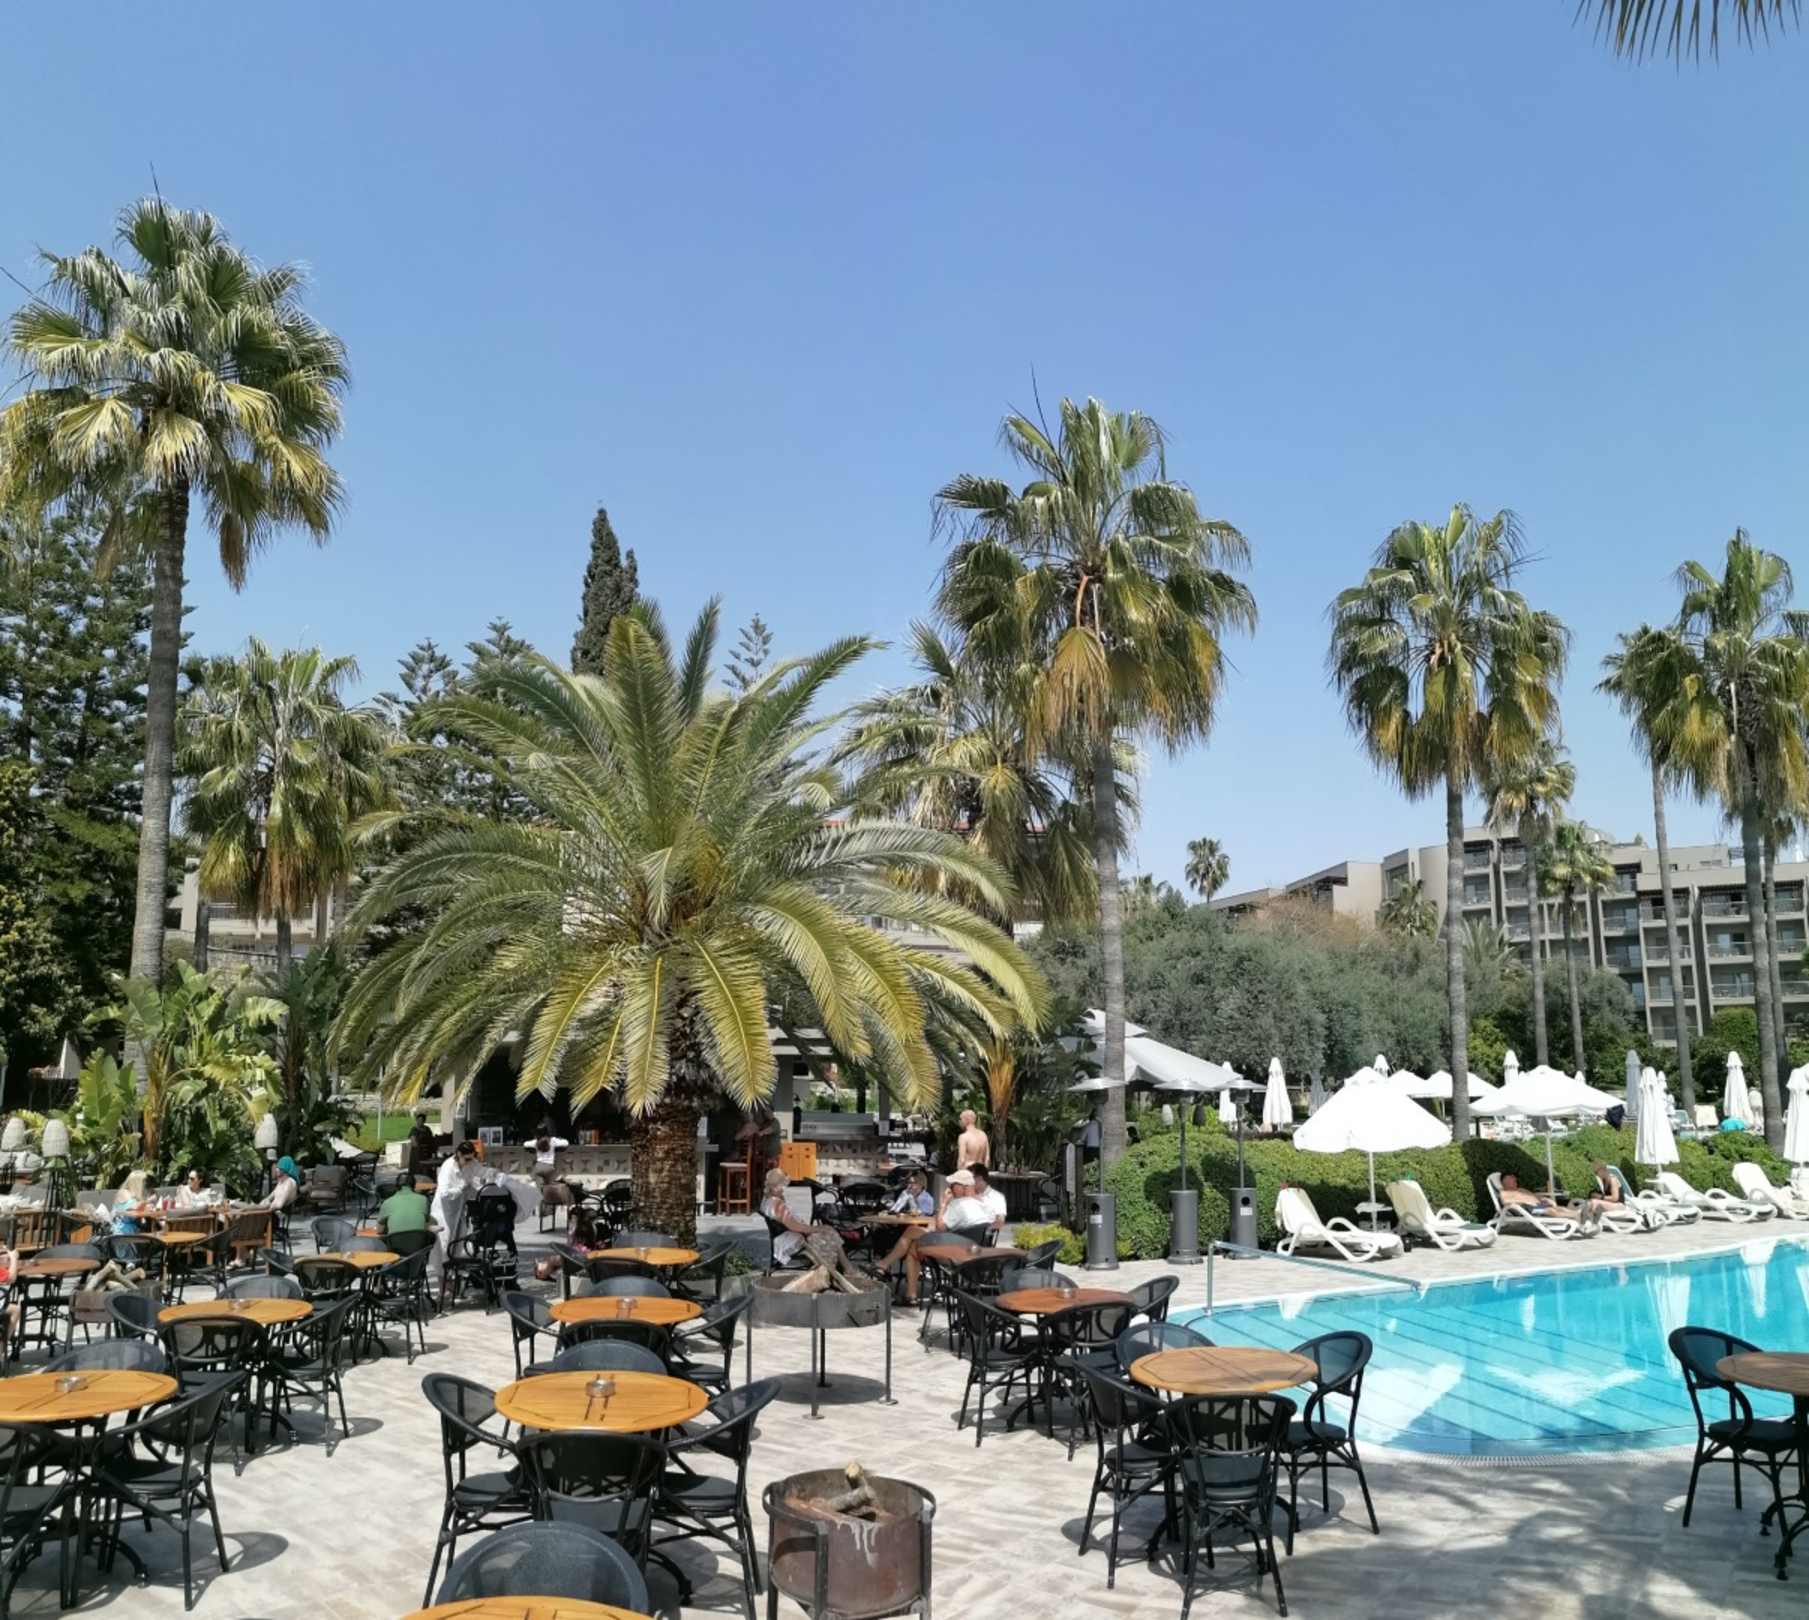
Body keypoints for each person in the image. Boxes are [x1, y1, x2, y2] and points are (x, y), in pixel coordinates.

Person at [761, 1168, 835, 1268]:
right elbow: (795, 1227)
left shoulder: (767, 1200)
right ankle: (834, 1268)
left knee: (829, 1232)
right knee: (829, 1233)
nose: (784, 1189)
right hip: (790, 1239)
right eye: (783, 1186)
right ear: (775, 1186)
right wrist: (817, 1229)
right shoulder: (777, 1204)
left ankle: (843, 1267)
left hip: (785, 1236)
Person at [431, 1141, 480, 1274]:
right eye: (467, 1159)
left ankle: (453, 1275)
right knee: (444, 1246)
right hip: (444, 1211)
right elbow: (444, 1193)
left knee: (458, 1243)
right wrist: (461, 1188)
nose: (469, 1162)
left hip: (459, 1209)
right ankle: (442, 1279)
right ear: (459, 1155)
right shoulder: (448, 1167)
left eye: (471, 1159)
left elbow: (479, 1176)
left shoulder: (471, 1163)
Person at [1499, 1171, 1601, 1227]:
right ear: (1504, 1181)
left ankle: (1583, 1214)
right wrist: (1524, 1202)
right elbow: (1506, 1202)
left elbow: (1535, 1197)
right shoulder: (1504, 1192)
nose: (1515, 1179)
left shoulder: (1521, 1189)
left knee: (1559, 1208)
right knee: (1551, 1211)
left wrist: (1545, 1199)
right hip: (1527, 1209)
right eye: (1511, 1178)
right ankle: (1577, 1215)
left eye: (1514, 1178)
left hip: (1537, 1206)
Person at [970, 1164, 1008, 1234]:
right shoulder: (967, 1195)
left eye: (969, 1178)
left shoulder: (997, 1197)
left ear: (979, 1178)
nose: (967, 1182)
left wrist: (982, 1231)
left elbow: (1000, 1222)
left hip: (982, 1236)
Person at [111, 1169, 150, 1234]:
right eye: (144, 1181)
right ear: (137, 1182)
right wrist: (146, 1202)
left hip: (133, 1231)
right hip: (122, 1232)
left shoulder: (135, 1195)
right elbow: (133, 1210)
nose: (145, 1184)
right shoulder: (124, 1192)